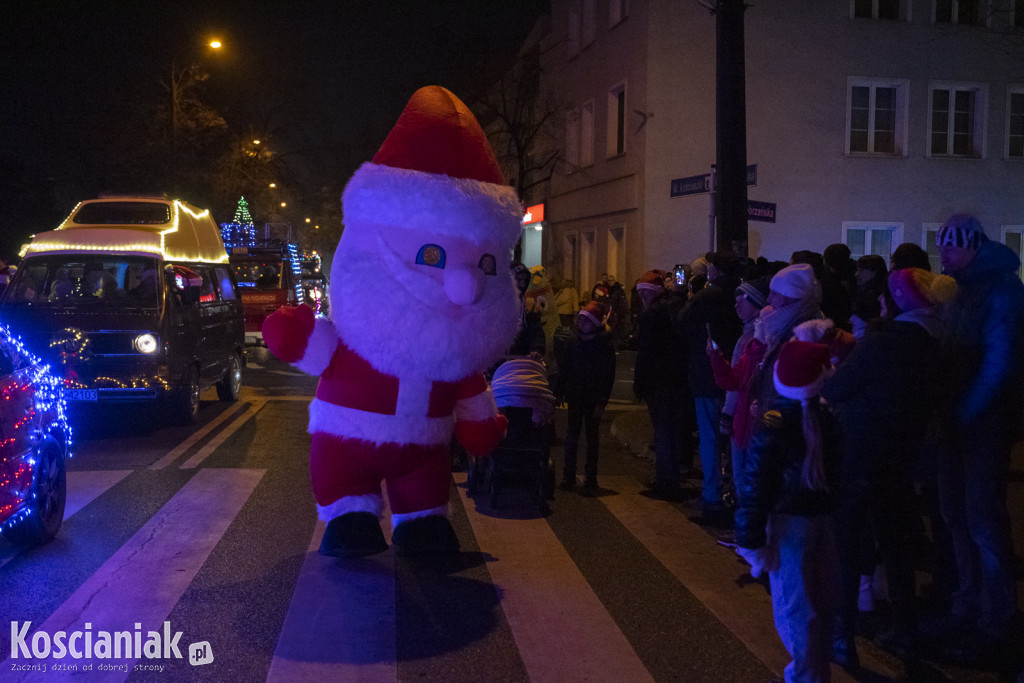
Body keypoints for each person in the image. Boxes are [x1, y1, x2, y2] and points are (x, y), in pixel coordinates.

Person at [820, 267, 958, 665]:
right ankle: (904, 629)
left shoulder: (885, 343)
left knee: (847, 545)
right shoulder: (937, 344)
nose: (880, 302)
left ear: (899, 301)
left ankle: (842, 636)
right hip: (903, 456)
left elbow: (836, 387)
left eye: (886, 296)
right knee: (897, 544)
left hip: (861, 453)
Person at [931, 214, 1024, 661]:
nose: (943, 255)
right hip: (955, 421)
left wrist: (966, 412)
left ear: (971, 246)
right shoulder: (959, 287)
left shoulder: (1002, 290)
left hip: (985, 424)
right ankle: (966, 606)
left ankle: (996, 620)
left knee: (983, 520)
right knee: (956, 516)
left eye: (950, 247)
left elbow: (999, 362)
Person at [735, 340, 841, 683]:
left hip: (789, 525)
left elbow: (756, 484)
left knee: (794, 608)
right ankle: (813, 670)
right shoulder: (828, 418)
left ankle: (806, 675)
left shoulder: (775, 423)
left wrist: (750, 539)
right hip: (824, 520)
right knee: (820, 603)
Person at [673, 251, 744, 521]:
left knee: (710, 436)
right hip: (736, 371)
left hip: (709, 372)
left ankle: (712, 494)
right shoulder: (740, 293)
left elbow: (681, 322)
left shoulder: (708, 295)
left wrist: (680, 295)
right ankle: (735, 491)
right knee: (735, 438)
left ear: (714, 269)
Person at [707, 277, 770, 502]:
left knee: (746, 477)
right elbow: (735, 378)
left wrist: (728, 413)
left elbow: (739, 382)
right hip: (743, 417)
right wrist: (716, 358)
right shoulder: (747, 335)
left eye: (742, 300)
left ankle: (746, 532)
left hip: (747, 418)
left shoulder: (753, 340)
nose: (737, 305)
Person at [633, 270, 692, 498]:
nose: (642, 298)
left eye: (645, 293)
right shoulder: (674, 309)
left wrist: (640, 382)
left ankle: (665, 479)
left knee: (662, 430)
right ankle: (672, 476)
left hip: (658, 380)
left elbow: (645, 352)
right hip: (676, 377)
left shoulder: (651, 316)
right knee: (673, 429)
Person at [555, 300, 617, 496]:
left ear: (595, 324)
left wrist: (602, 401)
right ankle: (568, 476)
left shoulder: (603, 346)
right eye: (581, 320)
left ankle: (591, 478)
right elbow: (564, 369)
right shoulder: (573, 343)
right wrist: (559, 392)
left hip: (592, 399)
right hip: (575, 396)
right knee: (572, 436)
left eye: (587, 321)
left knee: (592, 439)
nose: (582, 323)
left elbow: (608, 377)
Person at [849, 255, 887, 338]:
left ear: (874, 272)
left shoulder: (877, 296)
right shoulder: (861, 291)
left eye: (861, 271)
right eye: (857, 270)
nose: (856, 274)